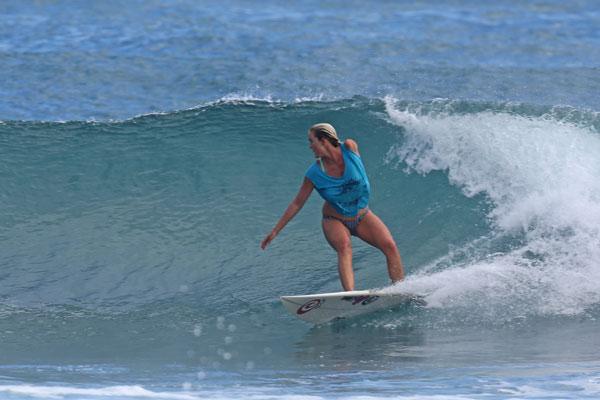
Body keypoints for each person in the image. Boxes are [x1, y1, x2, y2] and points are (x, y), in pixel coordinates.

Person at [261, 123, 404, 291]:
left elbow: (339, 143)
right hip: (334, 219)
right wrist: (275, 231)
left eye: (312, 141)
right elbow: (297, 203)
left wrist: (332, 142)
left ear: (323, 140)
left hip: (362, 215)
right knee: (344, 247)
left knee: (390, 246)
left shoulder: (350, 149)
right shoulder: (314, 173)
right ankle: (351, 297)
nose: (310, 146)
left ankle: (400, 289)